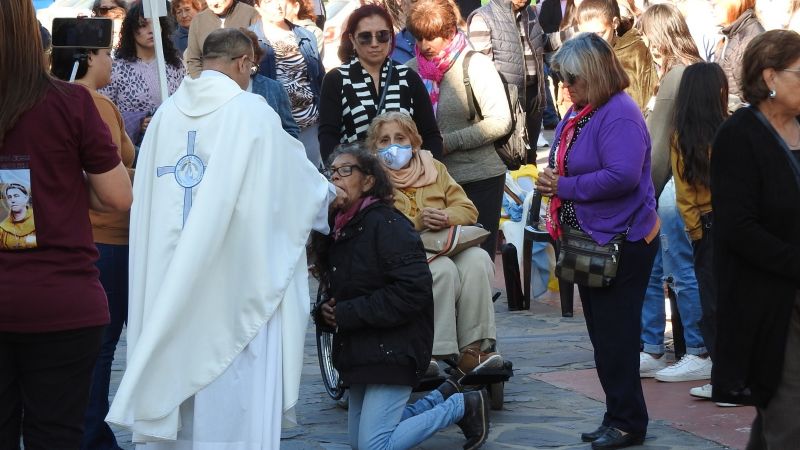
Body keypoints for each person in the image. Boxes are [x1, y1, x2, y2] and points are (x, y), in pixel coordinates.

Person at [105, 28, 335, 448]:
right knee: (232, 381)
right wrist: (332, 200)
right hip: (234, 279)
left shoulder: (166, 117)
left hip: (170, 278)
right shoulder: (252, 113)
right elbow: (296, 183)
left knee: (180, 368)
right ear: (245, 63)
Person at [0, 1, 132, 447]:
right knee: (56, 436)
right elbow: (117, 197)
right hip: (62, 301)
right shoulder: (71, 102)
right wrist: (68, 180)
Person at [313, 144, 491, 450]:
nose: (335, 178)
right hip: (360, 349)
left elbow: (412, 291)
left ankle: (460, 407)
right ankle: (441, 397)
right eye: (331, 172)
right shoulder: (336, 229)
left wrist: (346, 313)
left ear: (368, 181)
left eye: (345, 171)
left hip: (394, 348)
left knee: (373, 446)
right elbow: (337, 292)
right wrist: (325, 312)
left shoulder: (388, 223)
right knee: (361, 444)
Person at [535, 32, 659, 449]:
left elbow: (622, 176)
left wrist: (564, 186)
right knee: (604, 338)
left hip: (620, 241)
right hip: (594, 237)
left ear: (594, 75)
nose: (566, 87)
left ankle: (628, 421)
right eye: (563, 79)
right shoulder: (586, 110)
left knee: (616, 338)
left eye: (573, 79)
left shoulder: (619, 113)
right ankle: (616, 415)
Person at [710, 29, 800, 447]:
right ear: (770, 78)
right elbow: (738, 227)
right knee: (788, 406)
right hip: (769, 299)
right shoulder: (739, 136)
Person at [50, 34, 137, 450]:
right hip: (107, 235)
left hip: (89, 234)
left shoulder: (58, 101)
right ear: (88, 56)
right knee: (100, 346)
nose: (111, 63)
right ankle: (89, 435)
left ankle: (89, 431)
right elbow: (111, 182)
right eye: (106, 55)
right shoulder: (90, 103)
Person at [366, 111, 503, 376]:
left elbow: (468, 209)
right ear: (374, 146)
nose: (392, 145)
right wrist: (416, 222)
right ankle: (433, 350)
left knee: (478, 260)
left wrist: (445, 216)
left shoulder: (435, 168)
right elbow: (375, 222)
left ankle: (474, 350)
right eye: (384, 140)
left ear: (414, 143)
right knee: (442, 270)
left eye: (400, 138)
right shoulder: (371, 179)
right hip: (402, 253)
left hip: (444, 242)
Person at [637, 3, 712, 387]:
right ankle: (658, 347)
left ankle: (693, 350)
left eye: (647, 35)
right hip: (682, 183)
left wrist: (642, 190)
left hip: (672, 187)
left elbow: (660, 142)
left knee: (677, 269)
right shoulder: (694, 69)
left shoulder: (676, 74)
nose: (645, 44)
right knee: (668, 268)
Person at [406, 0, 512, 256]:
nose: (424, 46)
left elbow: (500, 120)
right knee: (440, 258)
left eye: (431, 37)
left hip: (478, 177)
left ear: (450, 32)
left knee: (477, 257)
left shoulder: (474, 64)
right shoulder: (410, 70)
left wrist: (447, 142)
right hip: (430, 182)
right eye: (419, 38)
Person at [667, 62, 730, 402]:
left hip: (707, 226)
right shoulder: (730, 128)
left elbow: (684, 195)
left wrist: (696, 233)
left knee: (713, 303)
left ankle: (723, 378)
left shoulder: (681, 137)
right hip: (736, 223)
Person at [318, 4, 443, 162]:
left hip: (409, 180)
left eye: (382, 35)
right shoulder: (336, 80)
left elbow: (430, 134)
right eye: (365, 37)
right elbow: (328, 137)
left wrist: (427, 168)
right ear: (352, 39)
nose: (374, 43)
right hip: (359, 180)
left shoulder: (408, 77)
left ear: (391, 37)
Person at [467, 0, 547, 163]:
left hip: (533, 97)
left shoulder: (529, 13)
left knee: (529, 159)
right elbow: (480, 72)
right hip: (505, 104)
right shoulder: (483, 18)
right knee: (510, 161)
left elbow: (544, 43)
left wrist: (574, 32)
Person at [251, 0, 325, 167]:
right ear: (258, 7)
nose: (277, 5)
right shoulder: (250, 40)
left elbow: (319, 77)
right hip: (275, 129)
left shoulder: (306, 35)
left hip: (310, 124)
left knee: (312, 179)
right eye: (269, 1)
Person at [100, 2, 185, 146]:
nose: (151, 30)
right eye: (143, 25)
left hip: (174, 140)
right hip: (135, 148)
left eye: (155, 24)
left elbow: (186, 101)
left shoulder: (175, 64)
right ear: (131, 31)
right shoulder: (116, 68)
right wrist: (137, 121)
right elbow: (104, 111)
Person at [576, 0, 656, 114]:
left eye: (600, 34)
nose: (594, 42)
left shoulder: (635, 51)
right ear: (579, 28)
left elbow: (650, 96)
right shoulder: (578, 56)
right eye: (587, 35)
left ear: (615, 23)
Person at [241, 28, 302, 138]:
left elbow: (290, 130)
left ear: (255, 57)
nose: (242, 62)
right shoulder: (220, 88)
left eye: (248, 56)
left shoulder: (273, 88)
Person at [184, 0, 260, 77]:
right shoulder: (198, 21)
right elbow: (193, 60)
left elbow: (258, 54)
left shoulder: (250, 14)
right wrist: (202, 82)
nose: (214, 3)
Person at [711, 0, 764, 108]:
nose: (713, 10)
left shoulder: (750, 38)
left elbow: (756, 95)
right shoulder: (731, 35)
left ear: (734, 4)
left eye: (716, 5)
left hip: (742, 119)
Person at [0, 184, 37, 250]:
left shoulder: (37, 220)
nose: (12, 200)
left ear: (26, 198)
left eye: (16, 196)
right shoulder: (3, 228)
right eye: (9, 197)